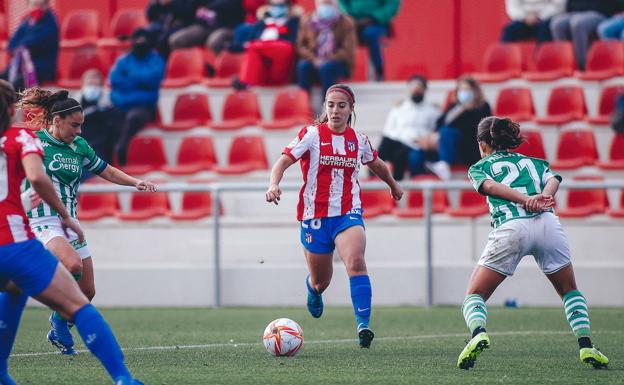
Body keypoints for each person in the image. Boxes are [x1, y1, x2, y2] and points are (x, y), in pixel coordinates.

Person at [0, 79, 143, 385]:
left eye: (82, 126)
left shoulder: (78, 146)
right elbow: (37, 179)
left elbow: (105, 169)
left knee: (87, 290)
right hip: (39, 222)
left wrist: (135, 182)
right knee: (72, 268)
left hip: (67, 221)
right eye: (74, 125)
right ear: (56, 120)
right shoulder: (30, 140)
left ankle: (56, 325)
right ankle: (123, 377)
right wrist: (40, 205)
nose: (79, 131)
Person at [456, 116, 609, 370]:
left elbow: (490, 187)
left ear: (483, 144)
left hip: (511, 227)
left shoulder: (478, 167)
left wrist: (524, 199)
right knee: (569, 290)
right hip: (547, 225)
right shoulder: (535, 162)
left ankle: (478, 334)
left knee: (475, 295)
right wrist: (542, 198)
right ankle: (586, 345)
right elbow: (554, 179)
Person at [265, 84, 403, 348]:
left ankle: (364, 325)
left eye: (341, 105)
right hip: (314, 216)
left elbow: (375, 163)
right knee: (321, 281)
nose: (335, 110)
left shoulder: (359, 139)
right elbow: (283, 161)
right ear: (325, 107)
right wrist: (273, 184)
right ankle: (313, 289)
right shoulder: (311, 135)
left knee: (355, 260)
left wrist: (393, 185)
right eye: (330, 105)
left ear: (351, 109)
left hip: (347, 212)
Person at [109, 28, 165, 166]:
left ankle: (122, 148)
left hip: (145, 107)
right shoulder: (124, 61)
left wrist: (128, 80)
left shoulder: (156, 60)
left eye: (143, 40)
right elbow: (114, 79)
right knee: (107, 115)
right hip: (123, 104)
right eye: (137, 40)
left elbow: (151, 79)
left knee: (133, 117)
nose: (140, 43)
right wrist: (139, 83)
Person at [417, 76, 491, 181]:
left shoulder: (482, 106)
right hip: (449, 146)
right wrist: (434, 136)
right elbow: (440, 123)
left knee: (446, 132)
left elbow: (477, 128)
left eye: (467, 90)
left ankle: (444, 164)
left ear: (475, 91)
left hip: (470, 148)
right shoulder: (454, 106)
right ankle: (418, 180)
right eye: (461, 89)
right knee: (419, 148)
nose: (463, 92)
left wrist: (466, 111)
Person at [377, 74, 440, 180]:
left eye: (419, 88)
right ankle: (375, 171)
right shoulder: (398, 109)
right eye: (413, 87)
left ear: (424, 90)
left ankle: (411, 188)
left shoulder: (432, 111)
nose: (415, 90)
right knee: (387, 143)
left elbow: (435, 132)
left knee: (411, 157)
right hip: (398, 142)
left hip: (418, 145)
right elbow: (388, 130)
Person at [296, 0, 356, 98]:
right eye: (323, 4)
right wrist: (314, 59)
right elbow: (301, 46)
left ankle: (328, 106)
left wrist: (328, 58)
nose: (325, 7)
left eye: (329, 4)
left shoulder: (346, 22)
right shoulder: (307, 20)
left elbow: (347, 50)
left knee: (327, 68)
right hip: (314, 60)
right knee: (303, 67)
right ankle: (303, 104)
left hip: (336, 61)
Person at [237, 0, 300, 86]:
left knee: (254, 47)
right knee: (252, 50)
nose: (277, 8)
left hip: (282, 51)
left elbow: (293, 41)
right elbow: (250, 39)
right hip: (262, 50)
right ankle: (249, 82)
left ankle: (246, 82)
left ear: (288, 6)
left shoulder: (294, 22)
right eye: (273, 5)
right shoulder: (262, 22)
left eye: (281, 6)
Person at [2, 0, 59, 89]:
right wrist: (20, 46)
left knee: (16, 84)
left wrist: (21, 45)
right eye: (34, 5)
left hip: (41, 69)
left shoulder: (51, 23)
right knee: (2, 79)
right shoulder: (26, 22)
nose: (37, 8)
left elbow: (34, 43)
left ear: (47, 5)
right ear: (29, 6)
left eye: (41, 5)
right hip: (20, 67)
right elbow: (12, 44)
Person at [337, 0, 400, 81]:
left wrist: (373, 18)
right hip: (352, 23)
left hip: (376, 23)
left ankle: (378, 70)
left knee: (371, 34)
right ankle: (344, 70)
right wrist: (349, 18)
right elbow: (342, 4)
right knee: (339, 35)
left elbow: (391, 6)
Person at [550, 0, 623, 70]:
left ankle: (583, 65)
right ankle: (565, 62)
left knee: (578, 23)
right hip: (579, 11)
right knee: (557, 24)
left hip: (600, 11)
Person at [79, 69, 121, 170]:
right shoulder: (74, 107)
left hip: (100, 149)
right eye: (90, 84)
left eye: (95, 84)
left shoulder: (110, 107)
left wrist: (93, 145)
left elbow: (111, 133)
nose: (92, 88)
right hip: (80, 148)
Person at [168, 0, 245, 54]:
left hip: (227, 26)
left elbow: (232, 5)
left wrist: (209, 7)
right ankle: (187, 70)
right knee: (176, 40)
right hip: (204, 26)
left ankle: (217, 72)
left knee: (213, 42)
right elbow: (193, 7)